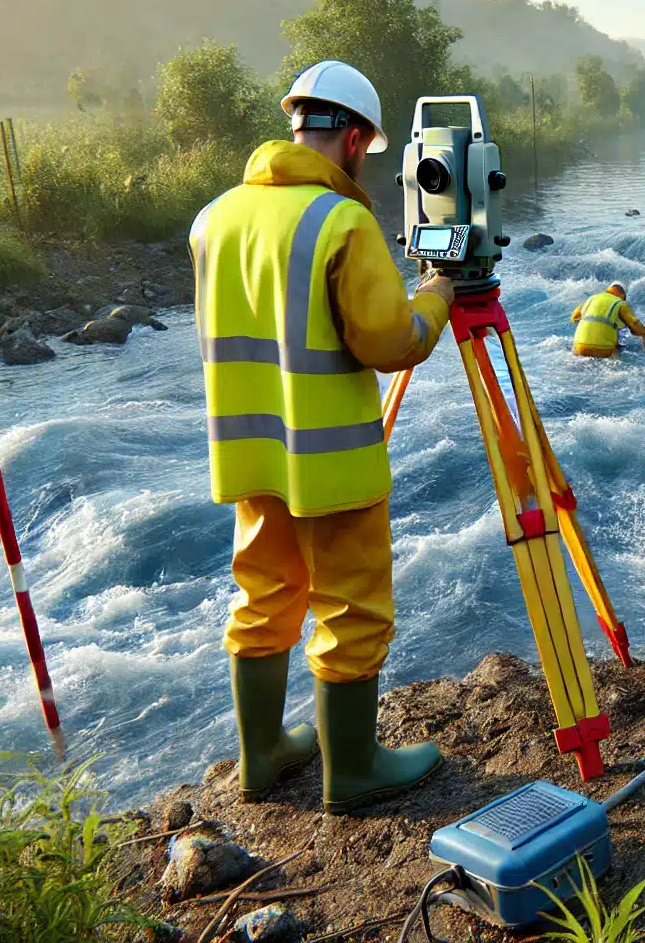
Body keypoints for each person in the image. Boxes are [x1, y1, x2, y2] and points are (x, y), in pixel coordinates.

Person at [190, 59, 458, 815]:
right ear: (353, 139)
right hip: (331, 457)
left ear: (298, 123)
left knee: (264, 593)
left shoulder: (213, 217)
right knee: (350, 606)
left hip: (249, 450)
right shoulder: (339, 221)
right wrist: (437, 295)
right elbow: (389, 341)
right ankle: (353, 769)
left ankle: (263, 755)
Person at [570, 281, 645, 357]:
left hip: (579, 348)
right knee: (617, 351)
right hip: (603, 350)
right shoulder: (620, 303)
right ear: (622, 294)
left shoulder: (591, 299)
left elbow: (574, 318)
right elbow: (634, 324)